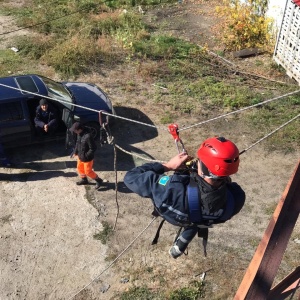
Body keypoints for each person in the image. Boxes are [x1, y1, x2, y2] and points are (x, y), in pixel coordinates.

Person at [124, 136, 245, 259]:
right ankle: (184, 240)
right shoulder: (237, 197)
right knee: (197, 219)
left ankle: (184, 238)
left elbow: (130, 178)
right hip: (205, 218)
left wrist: (167, 166)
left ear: (203, 168)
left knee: (194, 214)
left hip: (176, 216)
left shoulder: (171, 189)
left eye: (199, 161)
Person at [69, 122, 103, 189]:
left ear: (79, 129)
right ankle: (84, 180)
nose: (74, 131)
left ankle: (98, 180)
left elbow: (93, 148)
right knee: (80, 168)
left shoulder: (88, 136)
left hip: (87, 159)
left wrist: (86, 155)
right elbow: (77, 144)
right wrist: (75, 152)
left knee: (88, 171)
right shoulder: (79, 134)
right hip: (80, 156)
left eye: (75, 130)